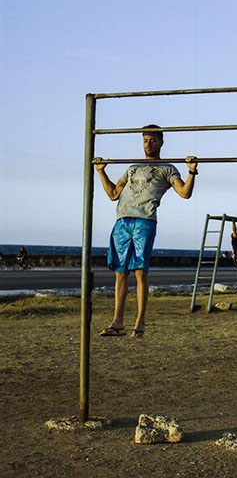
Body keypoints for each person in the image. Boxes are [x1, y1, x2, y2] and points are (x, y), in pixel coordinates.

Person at [94, 124, 198, 338]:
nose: (148, 144)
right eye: (144, 140)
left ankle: (140, 323)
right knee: (120, 272)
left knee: (141, 271)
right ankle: (117, 322)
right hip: (122, 220)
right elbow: (113, 193)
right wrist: (101, 172)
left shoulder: (167, 169)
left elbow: (184, 193)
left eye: (152, 140)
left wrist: (191, 172)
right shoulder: (131, 167)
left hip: (144, 221)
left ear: (161, 142)